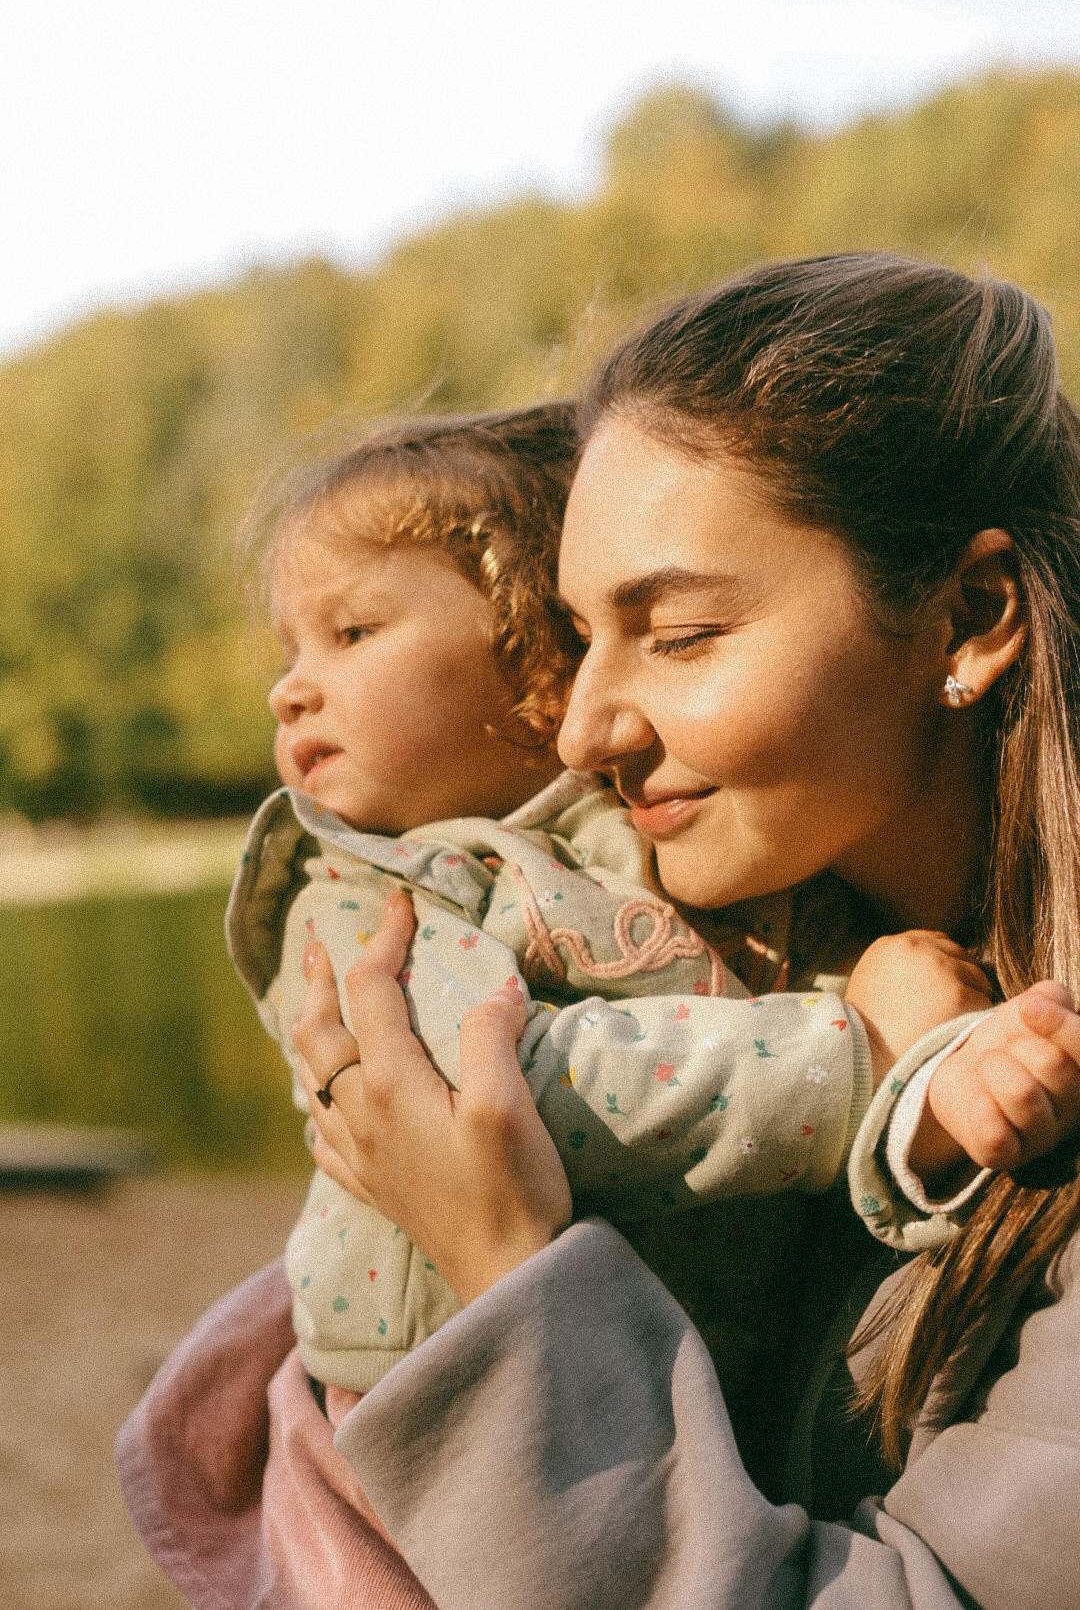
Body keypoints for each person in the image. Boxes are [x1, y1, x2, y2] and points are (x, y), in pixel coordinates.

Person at [288, 255, 1080, 1610]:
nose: (588, 729)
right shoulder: (739, 985)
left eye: (684, 633)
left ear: (970, 615)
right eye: (580, 634)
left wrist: (506, 1281)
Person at [228, 401, 986, 1432]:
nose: (290, 692)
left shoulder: (654, 833)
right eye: (289, 652)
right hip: (447, 1404)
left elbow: (747, 978)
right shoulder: (355, 897)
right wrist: (869, 1052)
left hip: (666, 1382)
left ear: (536, 649)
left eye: (352, 632)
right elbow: (503, 1095)